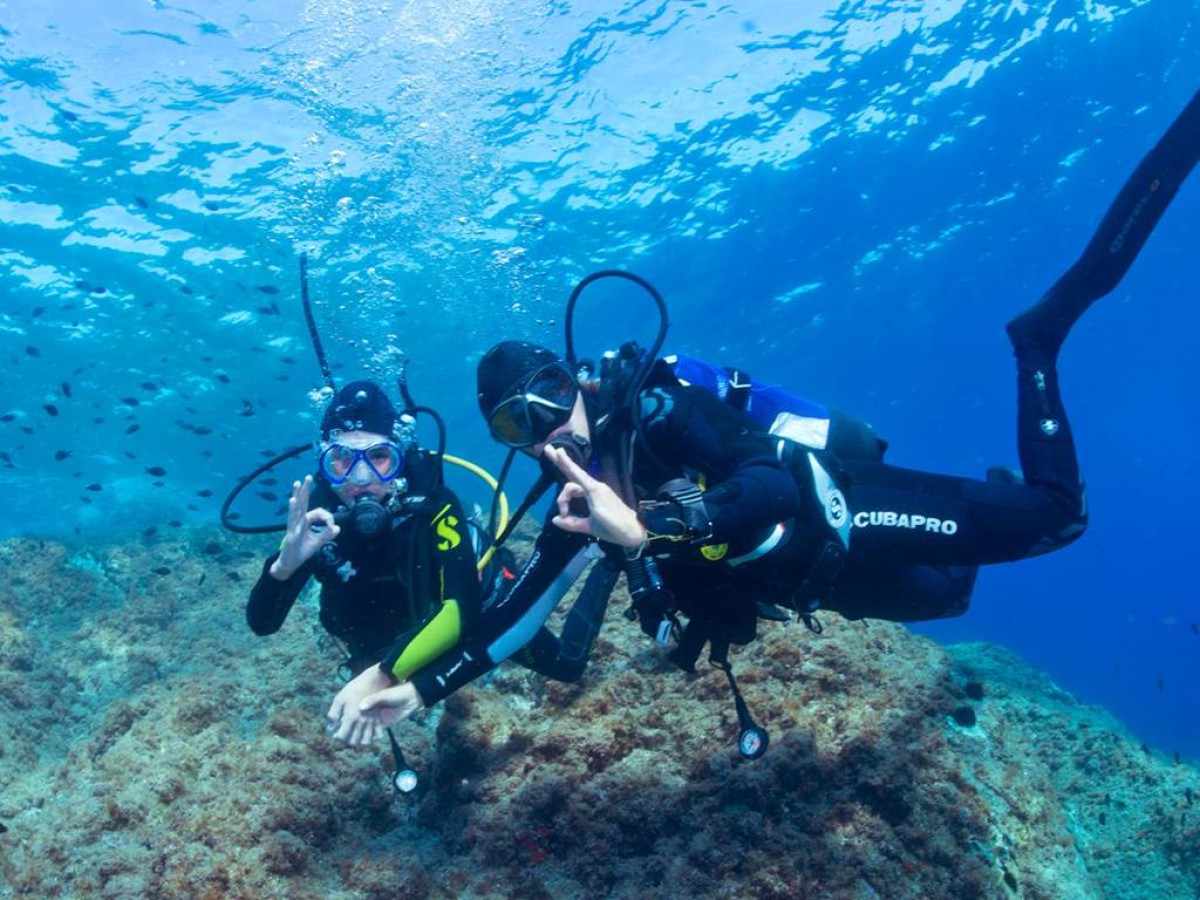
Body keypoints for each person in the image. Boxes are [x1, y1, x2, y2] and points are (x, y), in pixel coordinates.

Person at [337, 88, 1199, 739]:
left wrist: (644, 529)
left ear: (580, 383)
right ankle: (985, 500)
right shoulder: (577, 498)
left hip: (845, 511)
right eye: (514, 428)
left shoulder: (663, 412)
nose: (548, 433)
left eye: (551, 402)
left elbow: (768, 488)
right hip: (816, 581)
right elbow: (515, 614)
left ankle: (1039, 339)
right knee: (949, 602)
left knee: (1057, 520)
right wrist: (416, 684)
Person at [246, 380, 483, 747]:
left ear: (399, 458)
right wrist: (283, 568)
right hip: (365, 650)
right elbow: (262, 623)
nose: (360, 478)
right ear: (325, 464)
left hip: (429, 649)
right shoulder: (315, 523)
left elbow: (462, 611)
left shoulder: (433, 506)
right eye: (341, 459)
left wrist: (385, 674)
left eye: (378, 457)